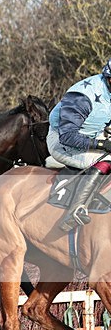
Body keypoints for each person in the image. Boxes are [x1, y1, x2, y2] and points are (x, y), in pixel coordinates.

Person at [48, 58, 111, 231]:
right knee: (108, 160)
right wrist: (101, 144)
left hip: (92, 134)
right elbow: (67, 137)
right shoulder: (82, 98)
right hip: (62, 141)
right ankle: (75, 210)